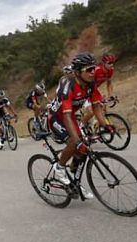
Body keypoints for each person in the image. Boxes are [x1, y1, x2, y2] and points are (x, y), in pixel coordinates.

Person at [48, 53, 116, 198]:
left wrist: (105, 125)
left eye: (94, 68)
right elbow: (65, 116)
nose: (93, 72)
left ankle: (74, 183)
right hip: (57, 118)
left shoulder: (90, 84)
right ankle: (59, 167)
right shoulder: (68, 85)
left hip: (70, 116)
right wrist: (77, 141)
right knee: (75, 142)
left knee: (83, 150)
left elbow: (96, 106)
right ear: (78, 72)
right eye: (89, 69)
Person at [80, 53, 116, 126]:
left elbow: (109, 83)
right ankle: (80, 126)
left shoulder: (111, 70)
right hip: (86, 90)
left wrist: (111, 95)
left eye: (113, 62)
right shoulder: (97, 70)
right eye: (109, 63)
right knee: (91, 112)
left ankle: (97, 127)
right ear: (103, 63)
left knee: (103, 108)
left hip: (94, 90)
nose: (112, 65)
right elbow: (87, 83)